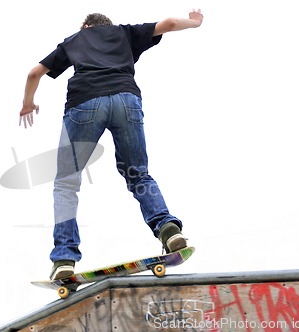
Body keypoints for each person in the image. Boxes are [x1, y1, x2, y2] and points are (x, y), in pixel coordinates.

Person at [19, 9, 204, 280]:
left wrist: (28, 103)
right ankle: (168, 229)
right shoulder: (125, 32)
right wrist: (195, 23)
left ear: (85, 27)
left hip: (85, 103)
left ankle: (64, 258)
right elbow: (171, 23)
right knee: (137, 173)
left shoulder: (74, 40)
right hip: (126, 100)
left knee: (66, 183)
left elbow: (35, 73)